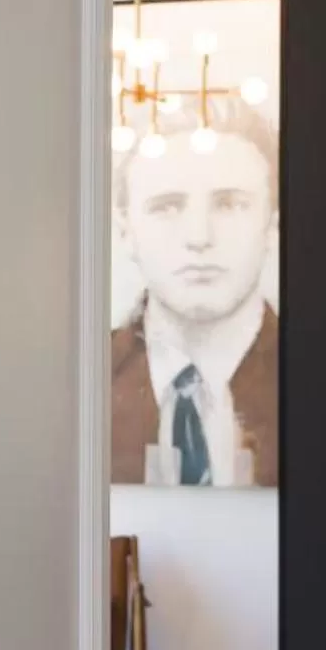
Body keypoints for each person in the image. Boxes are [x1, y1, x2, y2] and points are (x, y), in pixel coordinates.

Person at [110, 105, 280, 487]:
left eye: (230, 204)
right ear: (126, 230)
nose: (199, 237)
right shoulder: (82, 384)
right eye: (167, 207)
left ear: (272, 225)